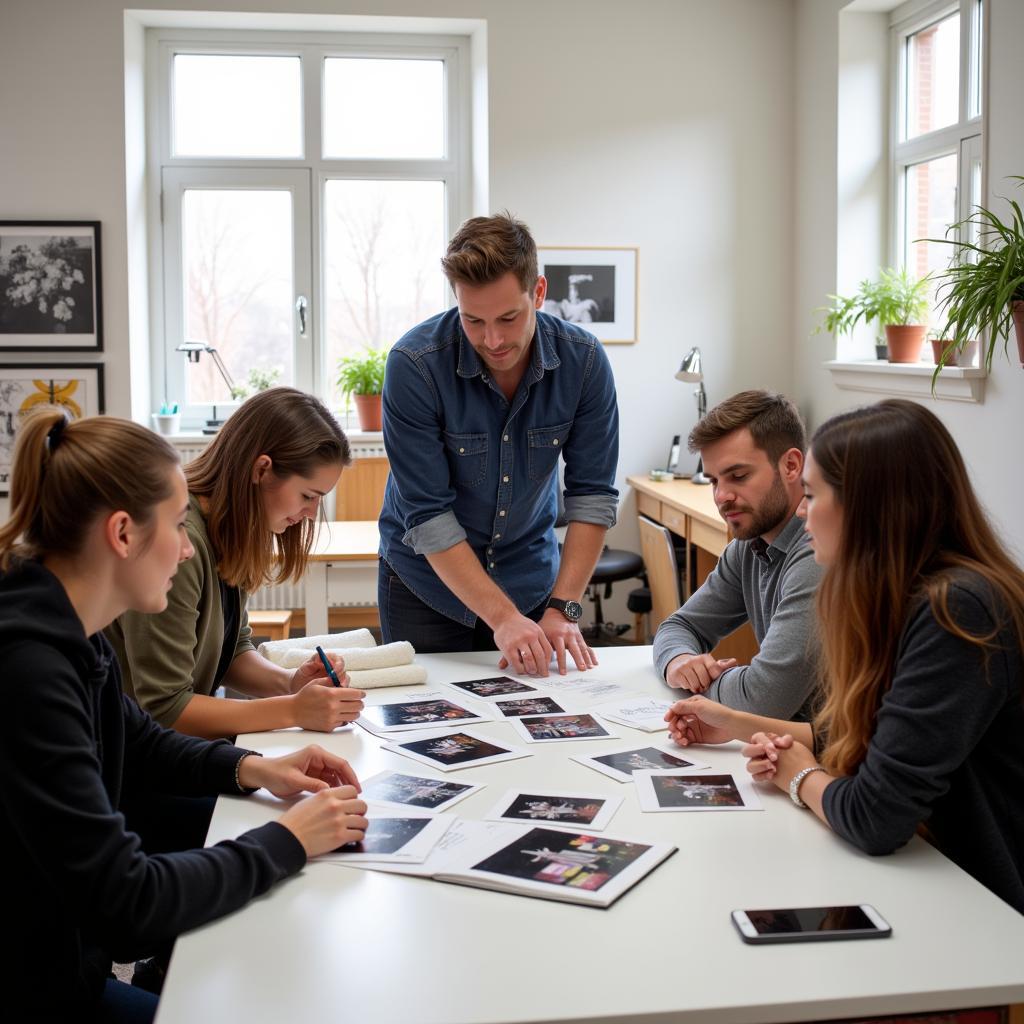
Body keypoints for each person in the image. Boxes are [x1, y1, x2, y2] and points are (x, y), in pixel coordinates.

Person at [0, 408, 369, 1023]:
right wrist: (288, 840)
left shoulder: (69, 631)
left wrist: (259, 768)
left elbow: (142, 739)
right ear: (122, 534)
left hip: (68, 963)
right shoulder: (28, 672)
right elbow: (129, 899)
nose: (189, 543)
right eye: (176, 523)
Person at [665, 399, 1024, 915]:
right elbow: (895, 735)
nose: (802, 512)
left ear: (871, 504)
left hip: (982, 904)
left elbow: (876, 816)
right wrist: (736, 722)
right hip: (934, 876)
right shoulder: (904, 596)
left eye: (811, 494)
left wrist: (798, 774)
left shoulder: (958, 609)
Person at [378, 213, 620, 676]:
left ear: (540, 293)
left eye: (509, 317)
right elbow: (427, 515)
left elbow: (591, 497)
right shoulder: (415, 365)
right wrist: (502, 619)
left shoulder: (584, 362)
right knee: (424, 732)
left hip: (530, 578)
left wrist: (563, 607)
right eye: (473, 320)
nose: (493, 340)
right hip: (425, 586)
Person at [108, 387, 365, 739]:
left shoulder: (231, 528)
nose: (310, 515)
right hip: (135, 758)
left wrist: (291, 683)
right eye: (307, 496)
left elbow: (231, 648)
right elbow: (164, 708)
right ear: (262, 469)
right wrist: (292, 709)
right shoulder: (182, 548)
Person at [653, 390, 823, 719]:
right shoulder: (748, 545)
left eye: (739, 476)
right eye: (714, 480)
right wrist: (680, 663)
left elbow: (763, 699)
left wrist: (704, 684)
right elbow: (678, 626)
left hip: (834, 759)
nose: (721, 496)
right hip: (777, 746)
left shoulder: (818, 551)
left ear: (791, 466)